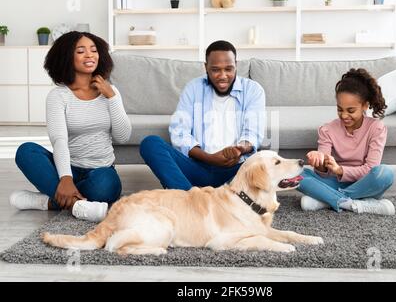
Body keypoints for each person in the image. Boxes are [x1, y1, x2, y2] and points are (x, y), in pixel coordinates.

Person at [10, 31, 131, 222]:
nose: (90, 55)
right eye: (81, 51)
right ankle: (77, 205)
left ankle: (48, 201)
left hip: (101, 171)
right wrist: (65, 178)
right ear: (67, 57)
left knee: (105, 188)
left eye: (94, 50)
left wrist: (112, 98)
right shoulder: (58, 96)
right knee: (26, 151)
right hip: (68, 167)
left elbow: (123, 137)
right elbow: (59, 141)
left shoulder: (110, 92)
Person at [140, 40, 265, 190]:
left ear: (236, 65)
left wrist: (238, 150)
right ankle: (189, 199)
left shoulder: (253, 90)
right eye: (215, 70)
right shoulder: (193, 88)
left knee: (264, 161)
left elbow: (253, 133)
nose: (223, 76)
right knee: (150, 143)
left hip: (235, 171)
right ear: (206, 67)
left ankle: (194, 197)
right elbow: (179, 132)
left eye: (229, 69)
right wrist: (210, 158)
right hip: (198, 167)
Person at [297, 68, 395, 215]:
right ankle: (352, 203)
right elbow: (323, 171)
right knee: (296, 174)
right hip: (332, 182)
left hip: (364, 184)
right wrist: (320, 162)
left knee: (385, 173)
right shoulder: (327, 129)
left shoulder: (376, 128)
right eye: (339, 109)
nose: (344, 115)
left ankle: (325, 200)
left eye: (350, 110)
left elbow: (370, 169)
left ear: (365, 106)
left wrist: (340, 170)